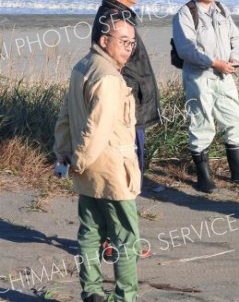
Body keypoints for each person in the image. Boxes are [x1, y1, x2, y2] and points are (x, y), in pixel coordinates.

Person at [54, 16, 141, 302]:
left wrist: (63, 150)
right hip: (112, 170)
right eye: (123, 42)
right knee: (126, 238)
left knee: (90, 231)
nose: (129, 48)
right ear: (105, 41)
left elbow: (66, 114)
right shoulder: (109, 78)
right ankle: (124, 297)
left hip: (88, 171)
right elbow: (98, 128)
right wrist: (78, 159)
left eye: (132, 42)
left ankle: (91, 290)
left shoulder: (82, 65)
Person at [172, 0, 239, 193]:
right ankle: (204, 177)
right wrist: (214, 62)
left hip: (225, 73)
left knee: (234, 118)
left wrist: (233, 59)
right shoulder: (185, 14)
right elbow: (186, 49)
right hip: (199, 76)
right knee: (202, 121)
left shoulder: (222, 9)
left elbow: (236, 37)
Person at [91, 0, 160, 185]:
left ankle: (130, 188)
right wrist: (128, 94)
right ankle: (128, 195)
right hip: (128, 97)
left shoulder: (117, 14)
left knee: (130, 150)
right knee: (127, 151)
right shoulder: (114, 18)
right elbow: (116, 63)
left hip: (131, 94)